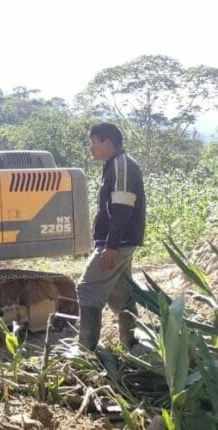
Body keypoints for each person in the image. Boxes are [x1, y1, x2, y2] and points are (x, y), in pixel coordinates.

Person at [76, 123, 146, 351]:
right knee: (122, 295)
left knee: (87, 288)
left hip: (119, 242)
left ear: (107, 142)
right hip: (119, 242)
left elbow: (123, 208)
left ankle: (86, 349)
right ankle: (134, 346)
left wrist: (111, 245)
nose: (91, 148)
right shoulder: (114, 165)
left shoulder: (122, 165)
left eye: (93, 142)